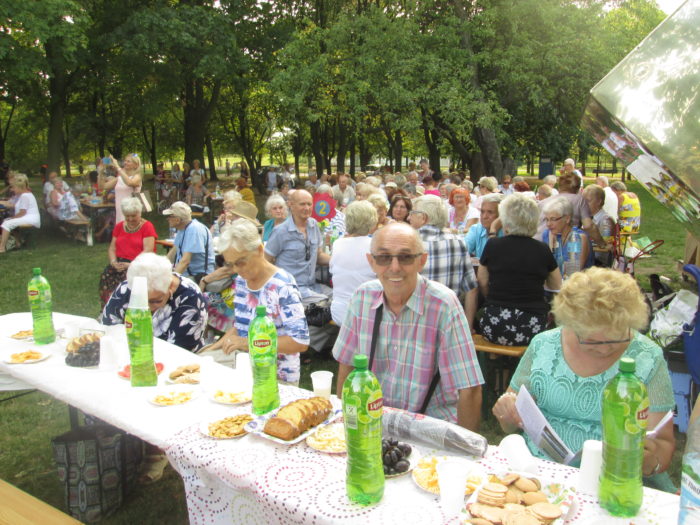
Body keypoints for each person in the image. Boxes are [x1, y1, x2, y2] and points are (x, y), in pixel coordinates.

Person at [492, 267, 676, 491]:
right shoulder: (544, 344)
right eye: (592, 341)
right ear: (570, 326)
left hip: (614, 480)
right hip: (539, 473)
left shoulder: (648, 357)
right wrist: (507, 413)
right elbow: (510, 424)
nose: (606, 349)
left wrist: (649, 461)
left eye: (618, 337)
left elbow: (664, 446)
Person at [333, 222, 484, 429]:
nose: (394, 267)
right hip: (373, 418)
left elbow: (469, 387)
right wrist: (345, 424)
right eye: (384, 257)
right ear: (372, 262)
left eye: (405, 257)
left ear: (421, 261)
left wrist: (467, 451)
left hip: (429, 425)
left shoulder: (443, 305)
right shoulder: (362, 297)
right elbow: (346, 364)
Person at [205, 220, 309, 385]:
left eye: (241, 262)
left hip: (277, 375)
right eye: (231, 264)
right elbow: (240, 324)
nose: (237, 269)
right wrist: (215, 347)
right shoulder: (241, 281)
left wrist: (247, 343)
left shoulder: (282, 285)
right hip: (244, 365)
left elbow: (299, 342)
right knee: (201, 366)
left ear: (259, 250)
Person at [478, 194, 561, 345]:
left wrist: (491, 298)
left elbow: (482, 281)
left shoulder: (493, 245)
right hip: (532, 326)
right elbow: (556, 286)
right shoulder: (542, 249)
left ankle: (498, 365)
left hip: (494, 324)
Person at [100, 252, 208, 352]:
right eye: (140, 300)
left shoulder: (191, 297)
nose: (147, 307)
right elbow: (107, 330)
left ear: (170, 285)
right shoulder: (127, 288)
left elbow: (177, 352)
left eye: (155, 301)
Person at [410, 195, 479, 329]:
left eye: (412, 213)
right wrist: (468, 326)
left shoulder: (406, 242)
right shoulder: (458, 242)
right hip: (449, 321)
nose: (409, 217)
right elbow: (471, 288)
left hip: (413, 322)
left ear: (423, 218)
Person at [264, 189, 330, 299]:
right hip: (291, 290)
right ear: (291, 205)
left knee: (340, 296)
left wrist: (338, 260)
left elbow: (318, 255)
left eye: (309, 204)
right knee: (325, 303)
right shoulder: (280, 231)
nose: (307, 208)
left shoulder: (314, 225)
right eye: (302, 204)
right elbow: (265, 261)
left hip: (313, 286)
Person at [98, 197, 157, 306]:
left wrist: (131, 265)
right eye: (127, 216)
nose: (130, 219)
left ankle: (126, 311)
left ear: (139, 212)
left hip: (139, 265)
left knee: (127, 283)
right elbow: (112, 248)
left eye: (133, 216)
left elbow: (148, 250)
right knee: (106, 276)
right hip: (120, 263)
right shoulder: (119, 226)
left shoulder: (147, 227)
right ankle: (107, 309)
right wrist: (113, 262)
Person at [329, 201, 377, 326]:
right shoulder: (375, 246)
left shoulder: (337, 244)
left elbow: (332, 271)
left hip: (339, 312)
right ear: (372, 222)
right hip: (366, 314)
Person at [542, 196, 593, 279]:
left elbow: (573, 272)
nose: (548, 224)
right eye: (547, 219)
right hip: (553, 286)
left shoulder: (577, 238)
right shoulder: (546, 234)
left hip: (575, 287)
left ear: (567, 219)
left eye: (553, 219)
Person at [164, 201, 215, 281]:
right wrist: (159, 268)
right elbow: (173, 252)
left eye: (170, 216)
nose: (167, 219)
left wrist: (171, 281)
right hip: (187, 273)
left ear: (177, 220)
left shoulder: (194, 230)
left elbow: (185, 261)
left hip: (197, 276)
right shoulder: (182, 229)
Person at [0, 173, 40, 253]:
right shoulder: (24, 195)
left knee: (7, 224)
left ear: (19, 187)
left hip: (30, 219)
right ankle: (17, 243)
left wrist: (13, 218)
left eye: (14, 188)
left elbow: (22, 212)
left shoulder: (25, 196)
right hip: (27, 217)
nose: (13, 190)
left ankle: (2, 248)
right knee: (8, 222)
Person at [98, 154, 142, 224]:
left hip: (131, 213)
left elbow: (129, 183)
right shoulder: (119, 178)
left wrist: (117, 167)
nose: (125, 163)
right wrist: (100, 172)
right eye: (125, 161)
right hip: (120, 211)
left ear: (136, 165)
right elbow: (102, 186)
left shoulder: (137, 177)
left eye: (128, 161)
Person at [465, 193, 504, 260]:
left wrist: (493, 230)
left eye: (490, 212)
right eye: (482, 212)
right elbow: (463, 251)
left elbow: (493, 260)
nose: (484, 216)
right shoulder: (476, 229)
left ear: (501, 215)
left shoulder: (508, 233)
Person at [583, 184, 614, 266]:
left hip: (598, 263)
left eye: (588, 201)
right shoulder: (584, 217)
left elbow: (606, 247)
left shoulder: (606, 220)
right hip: (586, 258)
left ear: (599, 201)